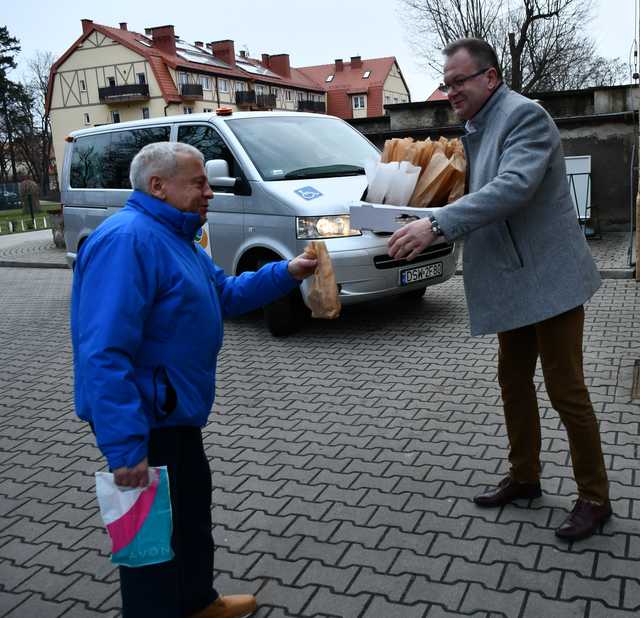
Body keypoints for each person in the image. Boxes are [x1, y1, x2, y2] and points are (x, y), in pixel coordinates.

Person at [70, 141, 317, 617]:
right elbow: (103, 352)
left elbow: (223, 294)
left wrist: (288, 271)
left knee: (189, 524)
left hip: (177, 417)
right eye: (199, 182)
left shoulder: (175, 237)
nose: (210, 192)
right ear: (158, 186)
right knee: (149, 551)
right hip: (145, 426)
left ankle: (198, 603)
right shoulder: (127, 241)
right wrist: (125, 449)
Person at [388, 38, 610, 541]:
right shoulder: (477, 126)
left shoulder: (524, 117)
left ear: (490, 78)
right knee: (512, 381)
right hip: (514, 279)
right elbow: (477, 191)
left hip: (550, 280)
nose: (449, 91)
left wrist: (438, 225)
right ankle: (526, 477)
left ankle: (595, 497)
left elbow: (512, 187)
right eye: (446, 83)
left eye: (458, 81)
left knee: (566, 389)